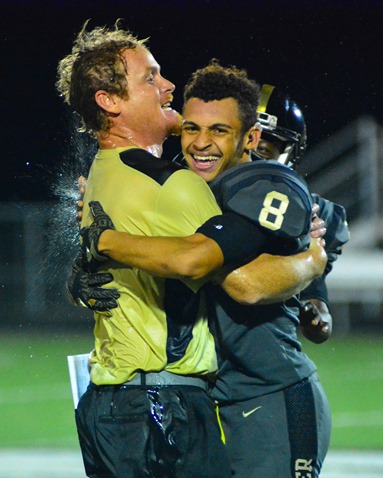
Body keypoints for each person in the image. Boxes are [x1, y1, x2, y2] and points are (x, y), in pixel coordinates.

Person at [57, 23, 325, 478]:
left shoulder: (265, 186)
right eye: (193, 128)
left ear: (250, 139)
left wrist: (313, 260)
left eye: (220, 130)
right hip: (191, 396)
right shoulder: (173, 177)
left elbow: (244, 283)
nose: (201, 142)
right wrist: (84, 266)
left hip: (264, 392)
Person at [255, 83, 350, 343]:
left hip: (267, 359)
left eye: (263, 149)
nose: (252, 156)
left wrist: (317, 315)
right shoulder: (196, 193)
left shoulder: (309, 215)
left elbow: (316, 306)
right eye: (246, 142)